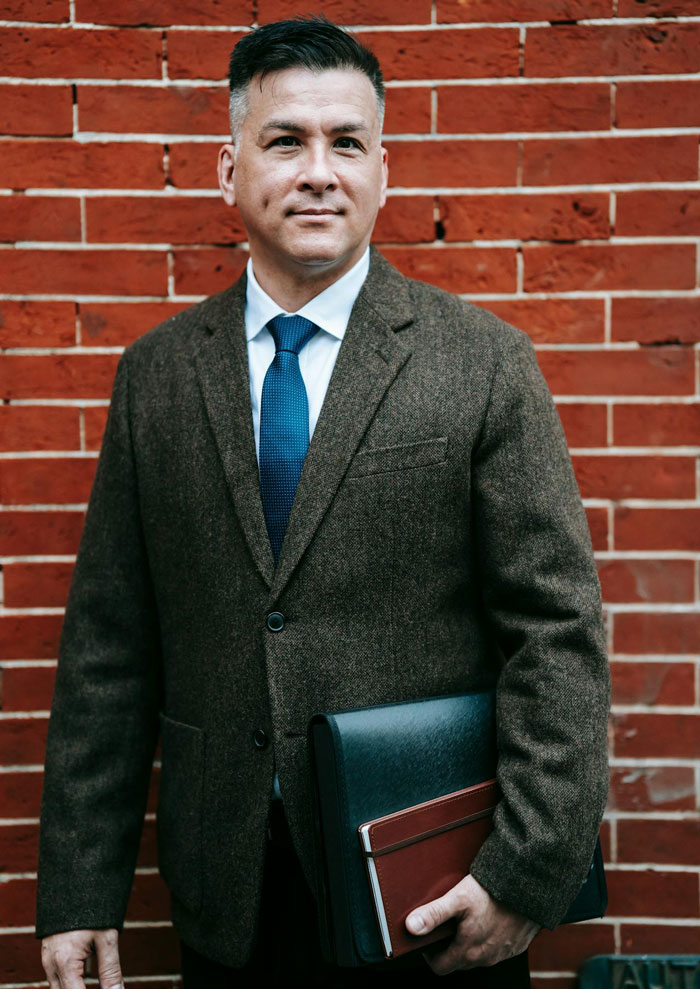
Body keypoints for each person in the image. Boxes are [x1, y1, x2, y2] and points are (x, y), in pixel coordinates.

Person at [36, 16, 610, 989]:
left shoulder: (481, 362)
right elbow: (108, 649)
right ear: (228, 169)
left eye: (345, 142)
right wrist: (81, 887)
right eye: (284, 140)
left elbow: (555, 630)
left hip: (430, 887)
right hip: (230, 890)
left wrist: (523, 869)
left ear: (381, 171)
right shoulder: (157, 377)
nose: (317, 170)